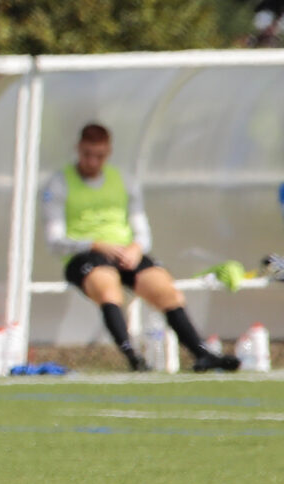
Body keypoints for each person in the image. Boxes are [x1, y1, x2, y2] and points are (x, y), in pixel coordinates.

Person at [43, 122, 238, 373]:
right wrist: (95, 244)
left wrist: (136, 248)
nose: (93, 162)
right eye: (87, 155)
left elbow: (141, 230)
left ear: (108, 152)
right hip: (83, 254)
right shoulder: (59, 184)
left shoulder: (123, 180)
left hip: (125, 253)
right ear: (78, 149)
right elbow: (55, 241)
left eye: (99, 155)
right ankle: (133, 357)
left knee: (165, 289)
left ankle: (201, 353)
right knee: (107, 286)